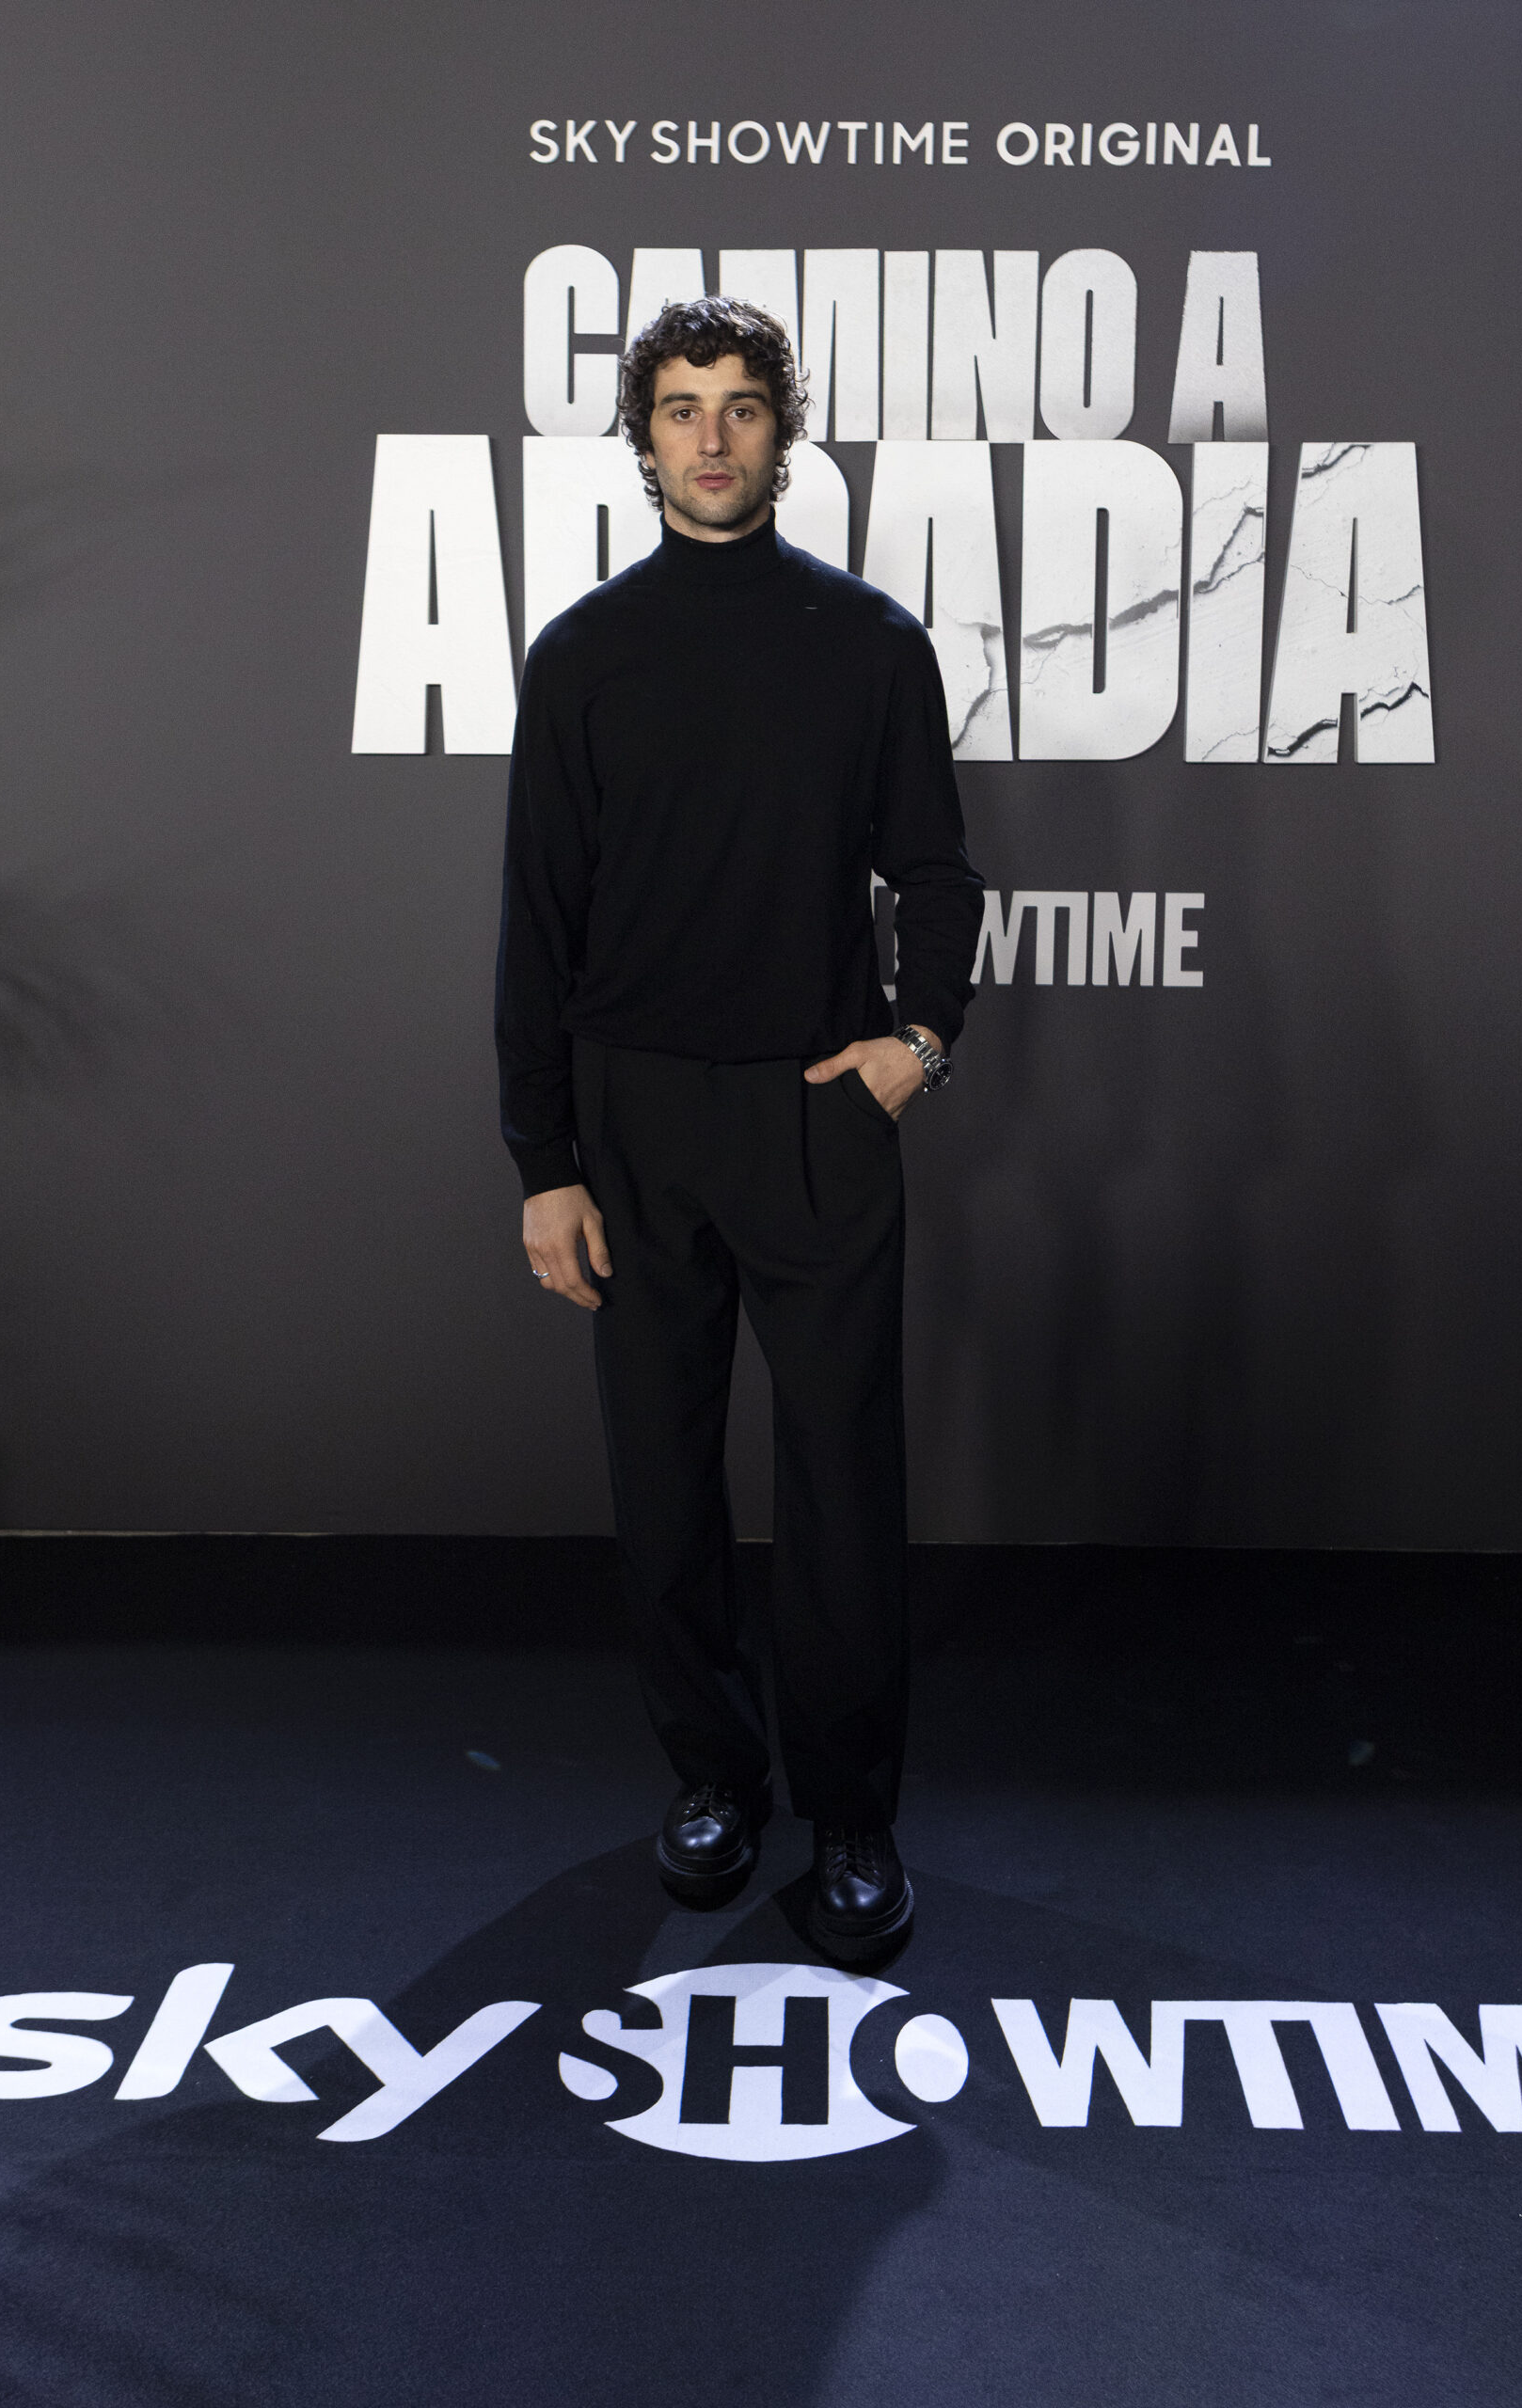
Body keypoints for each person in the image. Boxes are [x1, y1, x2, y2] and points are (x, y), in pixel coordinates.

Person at [495, 294, 982, 1963]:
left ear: (785, 433)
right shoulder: (582, 656)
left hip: (815, 1112)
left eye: (742, 406)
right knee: (663, 1475)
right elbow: (537, 928)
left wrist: (922, 1039)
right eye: (681, 408)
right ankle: (712, 1778)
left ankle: (851, 1814)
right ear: (643, 441)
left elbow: (937, 872)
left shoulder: (870, 643)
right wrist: (545, 1164)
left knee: (843, 1478)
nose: (712, 436)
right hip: (631, 1119)